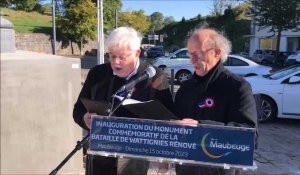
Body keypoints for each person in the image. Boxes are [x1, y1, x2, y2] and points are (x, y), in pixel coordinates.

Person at [73, 27, 174, 175]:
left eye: (122, 56)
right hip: (99, 159)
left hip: (135, 161)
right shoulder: (97, 74)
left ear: (137, 53)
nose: (116, 62)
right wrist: (84, 119)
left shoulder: (155, 77)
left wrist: (164, 157)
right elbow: (78, 110)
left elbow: (168, 120)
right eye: (112, 56)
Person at [174, 27, 258, 175]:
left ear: (217, 52)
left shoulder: (237, 87)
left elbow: (249, 136)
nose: (192, 60)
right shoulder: (185, 88)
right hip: (185, 168)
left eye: (198, 53)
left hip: (220, 169)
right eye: (190, 54)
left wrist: (201, 127)